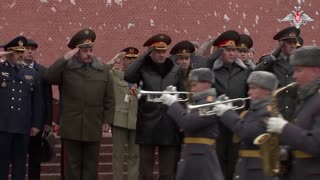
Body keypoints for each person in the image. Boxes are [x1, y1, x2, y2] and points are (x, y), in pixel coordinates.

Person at [44, 28, 115, 180]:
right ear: (76, 51)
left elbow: (109, 98)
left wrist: (107, 120)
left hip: (93, 125)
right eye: (84, 50)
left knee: (91, 168)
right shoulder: (66, 68)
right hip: (71, 127)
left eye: (90, 50)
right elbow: (49, 77)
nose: (89, 53)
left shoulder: (102, 70)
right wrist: (64, 58)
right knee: (72, 169)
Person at [124, 34, 184, 180]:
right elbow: (128, 75)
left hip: (169, 124)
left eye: (164, 51)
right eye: (158, 51)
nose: (162, 54)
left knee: (167, 173)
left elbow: (181, 95)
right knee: (145, 172)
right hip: (147, 123)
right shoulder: (143, 68)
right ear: (152, 52)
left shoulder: (175, 69)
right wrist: (144, 55)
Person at [265, 46, 320, 180]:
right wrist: (286, 152)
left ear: (315, 70)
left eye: (298, 70)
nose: (294, 76)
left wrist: (284, 127)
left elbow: (316, 144)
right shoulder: (307, 98)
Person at [213, 71, 279, 180]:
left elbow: (248, 133)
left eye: (253, 88)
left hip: (258, 172)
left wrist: (227, 113)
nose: (248, 92)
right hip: (246, 168)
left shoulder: (268, 112)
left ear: (266, 90)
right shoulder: (253, 111)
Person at [160, 68, 223, 180]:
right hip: (192, 154)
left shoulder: (209, 103)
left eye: (194, 85)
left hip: (202, 157)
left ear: (206, 84)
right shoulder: (198, 102)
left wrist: (173, 103)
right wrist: (175, 101)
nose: (191, 89)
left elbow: (188, 123)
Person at [209, 30, 251, 180]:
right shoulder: (212, 71)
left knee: (235, 161)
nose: (232, 53)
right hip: (218, 123)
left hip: (237, 122)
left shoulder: (245, 71)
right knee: (219, 160)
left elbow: (249, 98)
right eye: (228, 50)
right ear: (221, 52)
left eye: (234, 50)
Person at [0, 36, 41, 180]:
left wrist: (36, 124)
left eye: (22, 52)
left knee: (20, 164)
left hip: (22, 126)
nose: (21, 55)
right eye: (18, 52)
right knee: (2, 164)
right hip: (3, 125)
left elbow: (36, 101)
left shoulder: (30, 73)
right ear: (9, 53)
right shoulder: (1, 69)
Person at [255, 27, 300, 121]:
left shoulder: (299, 62)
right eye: (289, 42)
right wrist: (273, 56)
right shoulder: (271, 61)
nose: (292, 45)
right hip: (275, 112)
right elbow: (256, 73)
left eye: (294, 42)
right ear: (281, 44)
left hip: (294, 113)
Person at [23, 38, 53, 180]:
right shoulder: (16, 69)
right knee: (19, 158)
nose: (29, 51)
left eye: (32, 49)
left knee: (35, 160)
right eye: (27, 49)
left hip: (38, 122)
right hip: (20, 122)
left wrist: (48, 121)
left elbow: (48, 98)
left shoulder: (42, 71)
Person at [109, 47, 139, 180]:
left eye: (134, 59)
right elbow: (102, 72)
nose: (131, 61)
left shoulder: (142, 76)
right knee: (118, 155)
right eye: (128, 58)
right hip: (119, 120)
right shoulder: (115, 74)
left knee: (135, 155)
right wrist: (113, 61)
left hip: (137, 120)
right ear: (123, 60)